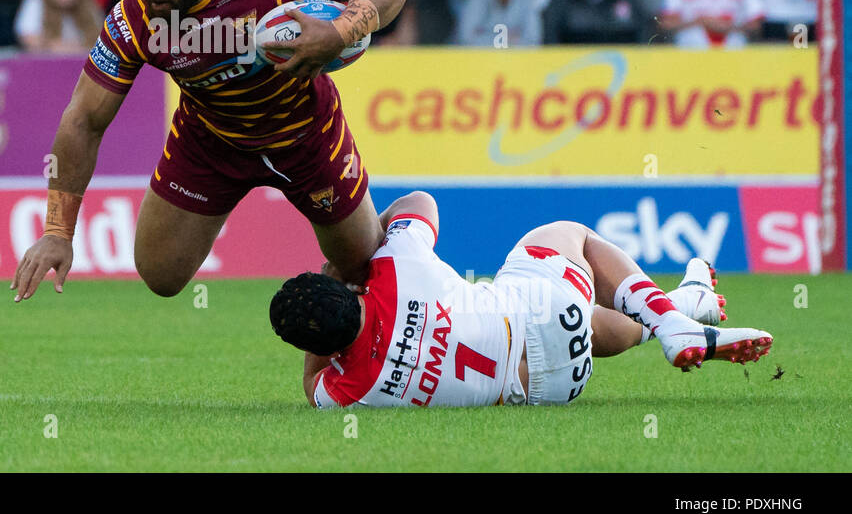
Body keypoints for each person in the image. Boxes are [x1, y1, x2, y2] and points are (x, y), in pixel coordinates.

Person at [10, 0, 411, 303]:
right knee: (160, 275)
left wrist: (342, 30)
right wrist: (58, 232)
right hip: (211, 144)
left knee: (361, 268)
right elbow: (82, 120)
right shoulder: (134, 19)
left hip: (306, 136)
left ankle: (406, 221)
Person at [270, 189, 770, 408]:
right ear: (343, 290)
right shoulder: (395, 266)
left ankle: (686, 307)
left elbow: (312, 380)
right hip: (543, 314)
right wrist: (346, 265)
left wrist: (321, 341)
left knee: (592, 325)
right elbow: (421, 203)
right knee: (571, 236)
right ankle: (671, 323)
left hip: (550, 389)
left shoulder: (346, 393)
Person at [15, 0, 105, 55]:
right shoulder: (35, 2)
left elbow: (102, 41)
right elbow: (28, 38)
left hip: (83, 63)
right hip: (46, 62)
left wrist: (74, 49)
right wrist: (53, 46)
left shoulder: (88, 5)